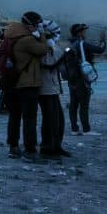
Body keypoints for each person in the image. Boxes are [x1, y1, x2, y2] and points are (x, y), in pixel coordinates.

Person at [2, 11, 50, 162]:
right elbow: (44, 49)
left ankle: (13, 147)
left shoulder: (9, 36)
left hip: (12, 84)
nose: (38, 27)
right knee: (29, 118)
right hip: (28, 84)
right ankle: (30, 150)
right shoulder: (27, 40)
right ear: (31, 25)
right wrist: (41, 34)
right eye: (37, 24)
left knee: (15, 116)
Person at [37, 20, 69, 159]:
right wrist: (56, 47)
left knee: (58, 119)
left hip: (52, 87)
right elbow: (49, 61)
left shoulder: (46, 45)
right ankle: (47, 147)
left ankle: (56, 146)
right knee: (50, 119)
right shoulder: (40, 46)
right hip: (45, 88)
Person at [68, 23, 106, 136]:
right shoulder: (82, 44)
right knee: (84, 104)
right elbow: (100, 50)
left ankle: (74, 129)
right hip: (82, 78)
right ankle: (86, 129)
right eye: (84, 31)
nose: (85, 33)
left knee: (73, 104)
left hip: (72, 78)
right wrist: (103, 40)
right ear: (79, 33)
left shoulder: (71, 44)